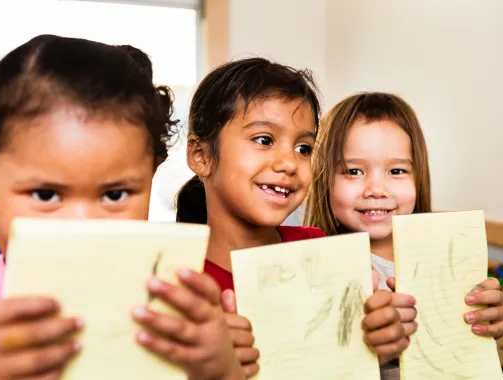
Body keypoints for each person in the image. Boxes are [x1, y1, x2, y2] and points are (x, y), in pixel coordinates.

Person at [0, 35, 244, 380]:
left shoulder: (176, 305)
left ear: (152, 173)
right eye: (46, 195)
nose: (85, 225)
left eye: (114, 195)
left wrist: (221, 369)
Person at [176, 59, 412, 377]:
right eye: (264, 140)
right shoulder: (178, 285)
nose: (289, 162)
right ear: (201, 155)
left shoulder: (317, 247)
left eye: (303, 148)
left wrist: (377, 346)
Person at [304, 92, 503, 378]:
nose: (376, 189)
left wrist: (487, 326)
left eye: (397, 170)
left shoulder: (446, 260)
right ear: (324, 178)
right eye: (353, 171)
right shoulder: (315, 273)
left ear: (418, 176)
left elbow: (465, 351)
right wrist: (365, 351)